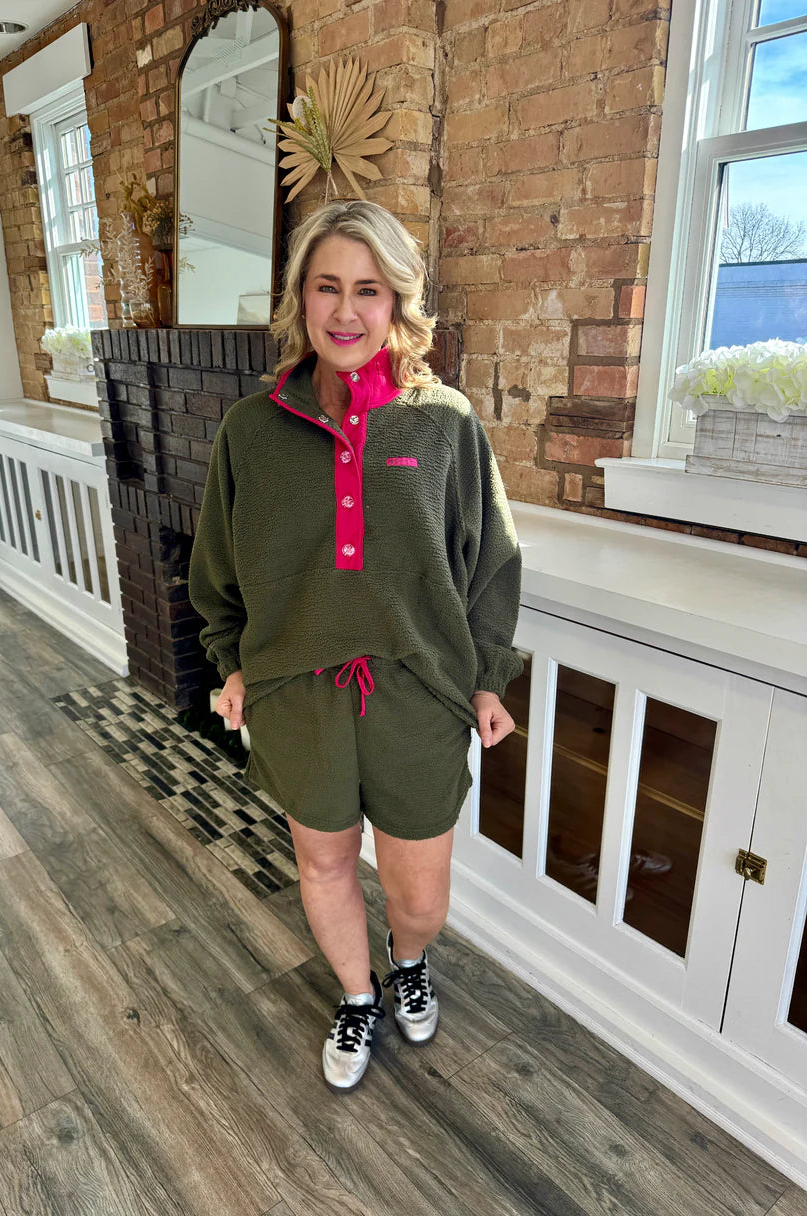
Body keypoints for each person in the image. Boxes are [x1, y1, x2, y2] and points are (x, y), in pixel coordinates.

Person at [188, 199, 522, 1094]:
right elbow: (217, 565)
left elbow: (491, 562)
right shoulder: (250, 430)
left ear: (397, 301)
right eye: (326, 286)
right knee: (324, 863)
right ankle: (357, 992)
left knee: (420, 897)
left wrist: (488, 678)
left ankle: (407, 961)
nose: (345, 311)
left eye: (367, 290)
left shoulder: (444, 423)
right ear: (299, 298)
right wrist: (231, 663)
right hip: (296, 691)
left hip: (417, 690)